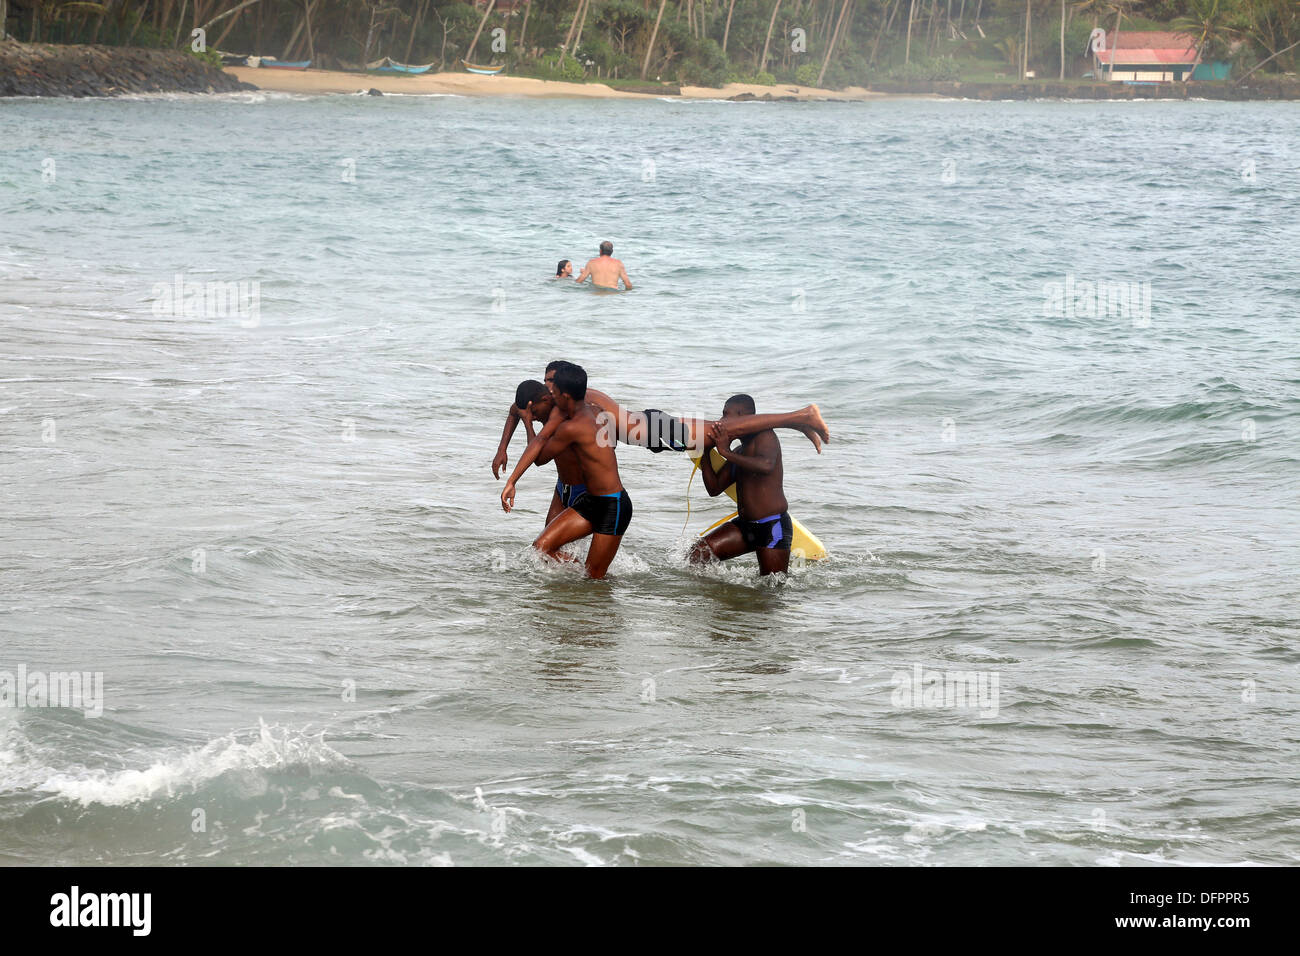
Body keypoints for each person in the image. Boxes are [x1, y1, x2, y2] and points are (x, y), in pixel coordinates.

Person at [491, 362, 829, 479]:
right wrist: (501, 450)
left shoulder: (570, 400)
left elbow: (540, 444)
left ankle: (801, 415)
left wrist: (526, 427)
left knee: (717, 431)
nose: (549, 386)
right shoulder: (558, 399)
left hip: (654, 431)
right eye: (546, 382)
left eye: (552, 381)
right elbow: (514, 410)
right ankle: (799, 423)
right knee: (717, 429)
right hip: (648, 427)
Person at [501, 362, 632, 580]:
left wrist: (528, 424)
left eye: (555, 392)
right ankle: (572, 598)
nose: (551, 396)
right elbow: (541, 438)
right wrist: (511, 481)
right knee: (541, 547)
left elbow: (541, 457)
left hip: (613, 505)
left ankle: (600, 608)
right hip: (589, 501)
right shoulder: (576, 413)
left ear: (565, 396)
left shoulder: (572, 427)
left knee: (594, 579)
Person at [689, 394, 793, 577]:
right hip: (744, 526)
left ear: (743, 416)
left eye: (725, 415)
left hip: (772, 526)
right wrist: (705, 451)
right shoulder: (740, 451)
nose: (721, 421)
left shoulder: (766, 436)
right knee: (697, 555)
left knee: (770, 591)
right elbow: (714, 488)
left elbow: (766, 465)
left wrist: (725, 452)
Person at [512, 379, 587, 528]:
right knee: (547, 548)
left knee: (547, 544)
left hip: (585, 490)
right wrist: (502, 450)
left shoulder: (562, 417)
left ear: (546, 399)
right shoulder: (539, 407)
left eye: (534, 413)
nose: (532, 416)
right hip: (562, 488)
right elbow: (513, 410)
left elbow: (539, 459)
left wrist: (528, 423)